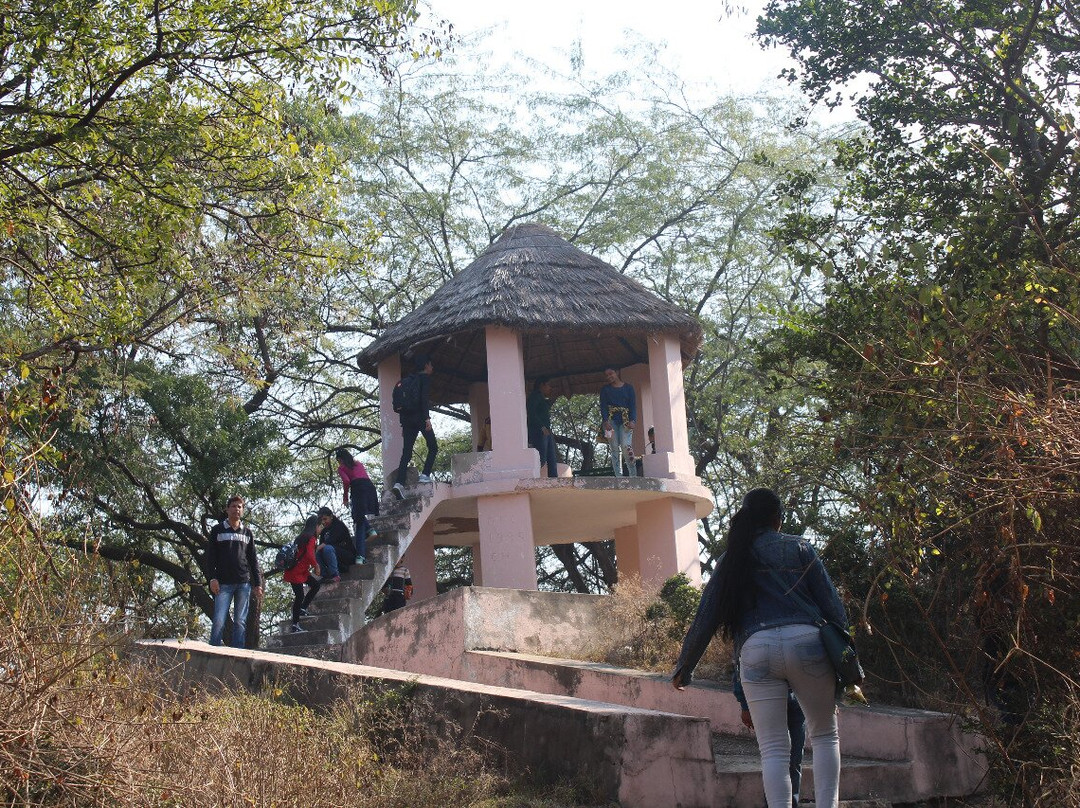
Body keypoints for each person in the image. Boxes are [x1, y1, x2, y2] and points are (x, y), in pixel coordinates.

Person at [672, 488, 850, 808]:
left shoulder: (732, 559)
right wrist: (847, 661)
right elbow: (834, 610)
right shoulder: (800, 547)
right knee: (824, 736)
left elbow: (707, 615)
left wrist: (685, 667)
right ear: (778, 520)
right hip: (807, 643)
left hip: (755, 651)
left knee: (773, 750)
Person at [734, 662, 806, 808]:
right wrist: (745, 704)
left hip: (799, 697)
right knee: (776, 756)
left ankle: (791, 803)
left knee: (795, 758)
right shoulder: (751, 638)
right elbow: (740, 663)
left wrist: (830, 695)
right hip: (768, 695)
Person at [207, 495, 263, 648]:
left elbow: (253, 560)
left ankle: (237, 653)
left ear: (242, 510)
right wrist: (212, 578)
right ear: (227, 509)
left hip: (243, 583)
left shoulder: (247, 533)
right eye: (233, 506)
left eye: (239, 507)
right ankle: (214, 650)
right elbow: (211, 557)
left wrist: (257, 583)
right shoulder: (217, 530)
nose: (236, 509)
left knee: (240, 621)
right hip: (223, 583)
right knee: (219, 619)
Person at [392, 354, 437, 500]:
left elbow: (403, 406)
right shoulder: (424, 379)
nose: (432, 368)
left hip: (407, 421)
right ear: (426, 365)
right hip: (419, 419)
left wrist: (403, 425)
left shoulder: (406, 381)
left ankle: (398, 483)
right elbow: (423, 400)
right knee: (433, 446)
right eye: (431, 365)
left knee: (406, 452)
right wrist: (427, 419)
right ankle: (425, 475)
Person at [335, 448, 379, 563]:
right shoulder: (358, 463)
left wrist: (345, 497)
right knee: (358, 516)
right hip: (369, 487)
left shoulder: (341, 468)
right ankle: (370, 530)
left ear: (340, 459)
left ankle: (360, 556)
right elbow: (364, 476)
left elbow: (346, 481)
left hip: (358, 489)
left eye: (338, 461)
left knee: (358, 520)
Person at [284, 515, 322, 633]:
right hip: (297, 573)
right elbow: (310, 554)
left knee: (315, 585)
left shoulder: (301, 536)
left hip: (299, 571)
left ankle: (302, 608)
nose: (321, 529)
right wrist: (316, 565)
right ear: (315, 526)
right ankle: (295, 625)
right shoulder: (311, 538)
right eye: (320, 526)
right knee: (300, 596)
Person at [599, 366, 636, 477]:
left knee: (626, 446)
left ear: (617, 372)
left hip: (625, 421)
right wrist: (605, 421)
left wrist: (633, 420)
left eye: (611, 373)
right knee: (614, 447)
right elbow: (603, 406)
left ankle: (633, 474)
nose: (609, 377)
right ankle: (618, 476)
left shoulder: (629, 388)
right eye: (607, 375)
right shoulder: (605, 390)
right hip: (610, 421)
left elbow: (633, 406)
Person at [526, 376, 558, 478]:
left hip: (547, 431)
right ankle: (530, 477)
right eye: (548, 385)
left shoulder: (542, 398)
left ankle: (554, 480)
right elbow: (531, 413)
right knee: (541, 458)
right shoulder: (535, 396)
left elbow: (543, 410)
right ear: (542, 385)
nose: (550, 388)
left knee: (552, 459)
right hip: (539, 431)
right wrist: (541, 427)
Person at [316, 505, 355, 573]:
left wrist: (316, 549)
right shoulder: (324, 531)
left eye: (325, 519)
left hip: (347, 555)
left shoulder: (339, 525)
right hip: (334, 558)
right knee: (318, 552)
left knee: (327, 548)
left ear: (331, 516)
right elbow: (320, 546)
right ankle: (324, 574)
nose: (323, 522)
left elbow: (328, 542)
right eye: (321, 520)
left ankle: (334, 574)